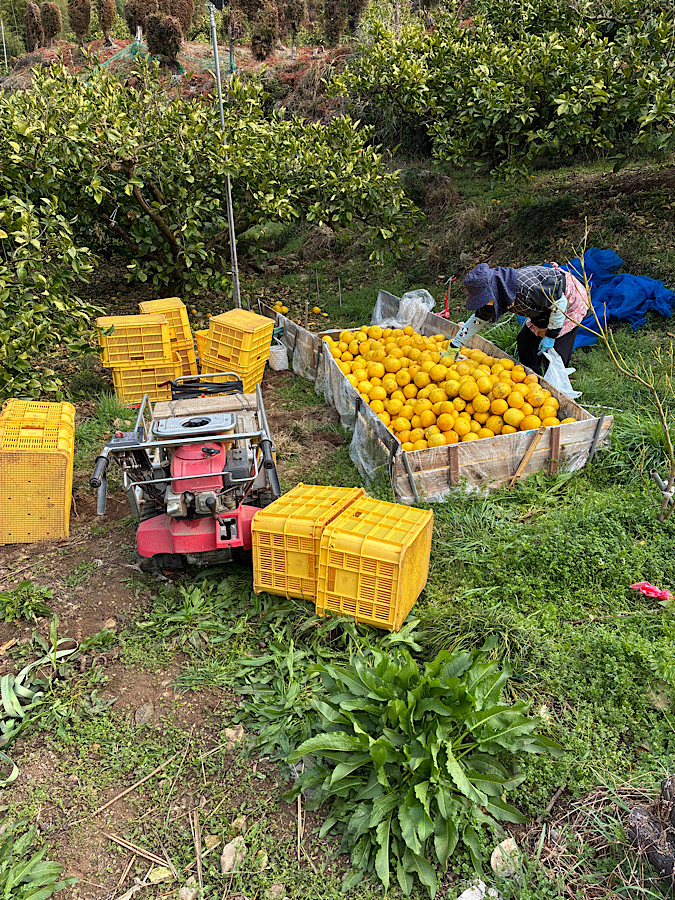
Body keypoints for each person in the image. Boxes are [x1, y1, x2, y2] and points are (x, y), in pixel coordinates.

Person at [449, 263, 590, 375]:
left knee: (556, 352)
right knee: (526, 342)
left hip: (567, 301)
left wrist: (551, 336)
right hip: (542, 308)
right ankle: (532, 376)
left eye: (485, 299)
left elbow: (560, 303)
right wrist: (455, 345)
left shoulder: (529, 289)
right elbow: (477, 321)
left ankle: (555, 386)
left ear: (495, 291)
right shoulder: (495, 297)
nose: (484, 303)